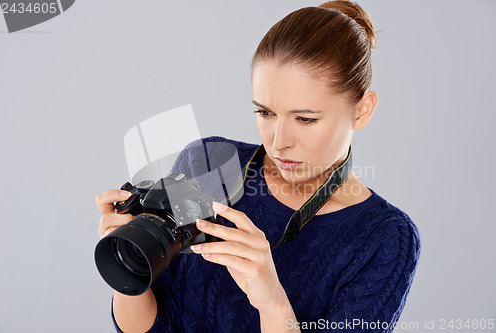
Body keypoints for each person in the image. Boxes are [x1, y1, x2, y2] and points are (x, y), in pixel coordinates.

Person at [95, 1, 421, 332]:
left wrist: (272, 302)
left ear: (363, 111)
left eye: (305, 119)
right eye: (265, 113)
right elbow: (150, 327)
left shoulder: (385, 238)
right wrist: (130, 259)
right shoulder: (206, 161)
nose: (278, 141)